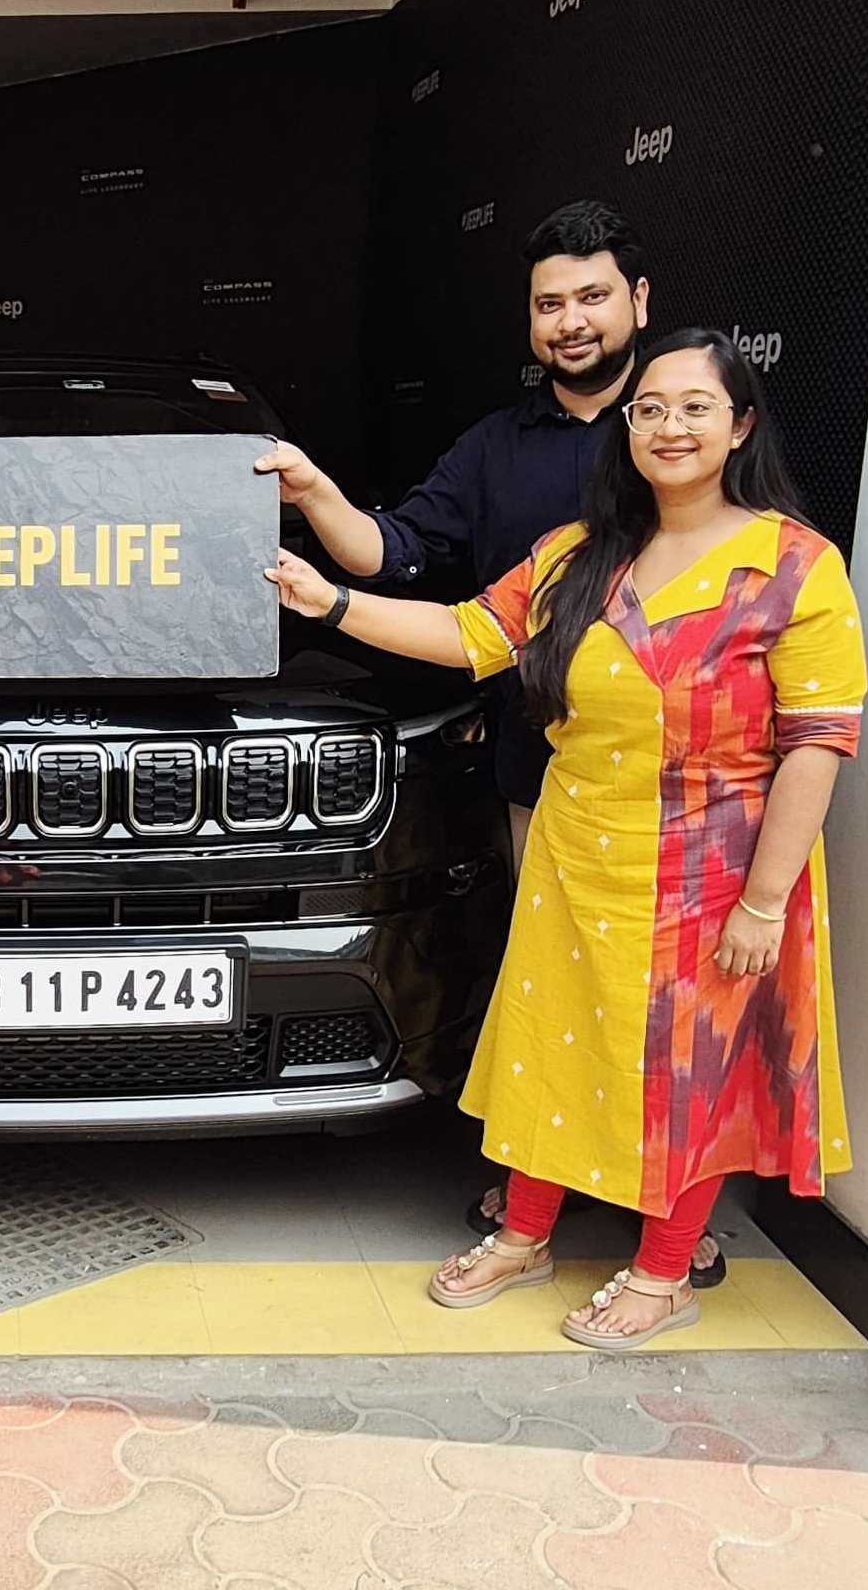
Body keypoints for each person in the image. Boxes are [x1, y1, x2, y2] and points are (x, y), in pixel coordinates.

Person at [264, 328, 864, 1349]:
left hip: (715, 867)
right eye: (649, 409)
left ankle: (664, 1271)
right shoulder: (578, 553)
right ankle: (524, 1234)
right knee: (550, 1040)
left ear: (739, 426)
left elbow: (816, 742)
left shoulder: (793, 566)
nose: (668, 427)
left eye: (694, 408)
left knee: (691, 1068)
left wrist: (764, 902)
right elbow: (469, 635)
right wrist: (331, 602)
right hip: (575, 847)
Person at [256, 199, 729, 1284]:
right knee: (558, 988)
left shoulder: (673, 439)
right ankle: (541, 1191)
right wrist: (315, 496)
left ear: (638, 301)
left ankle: (661, 1207)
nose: (571, 321)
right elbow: (400, 556)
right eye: (548, 303)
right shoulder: (495, 449)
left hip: (691, 793)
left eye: (592, 296)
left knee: (673, 1007)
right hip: (545, 775)